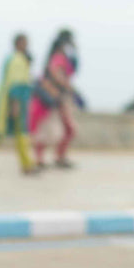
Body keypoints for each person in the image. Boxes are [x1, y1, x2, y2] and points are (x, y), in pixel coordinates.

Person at [0, 34, 36, 175]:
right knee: (11, 132)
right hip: (13, 102)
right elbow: (16, 83)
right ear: (18, 43)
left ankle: (27, 164)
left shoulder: (15, 59)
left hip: (12, 101)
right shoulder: (17, 60)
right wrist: (15, 104)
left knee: (17, 134)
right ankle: (26, 165)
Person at [29, 29, 83, 169]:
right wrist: (71, 89)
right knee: (51, 130)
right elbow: (56, 73)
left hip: (59, 96)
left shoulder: (60, 56)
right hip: (56, 97)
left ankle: (58, 157)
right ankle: (44, 158)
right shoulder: (59, 57)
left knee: (64, 129)